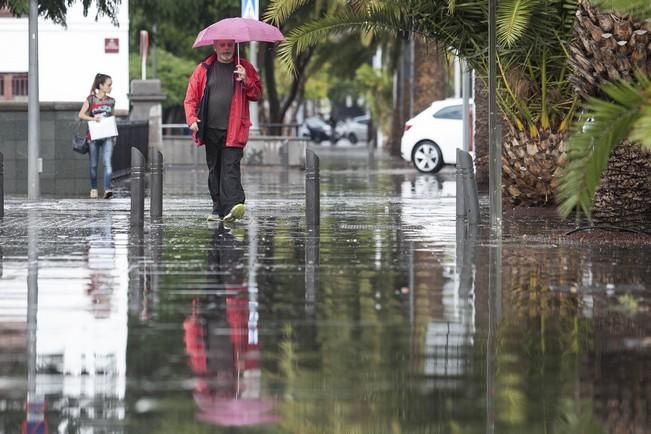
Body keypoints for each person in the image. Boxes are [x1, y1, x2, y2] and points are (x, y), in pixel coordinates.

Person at [184, 39, 262, 222]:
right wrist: (192, 119)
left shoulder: (244, 67)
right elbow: (190, 98)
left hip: (235, 129)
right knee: (215, 169)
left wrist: (246, 80)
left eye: (229, 45)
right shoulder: (204, 69)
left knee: (230, 167)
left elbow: (257, 94)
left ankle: (234, 205)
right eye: (222, 45)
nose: (226, 49)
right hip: (210, 129)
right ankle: (218, 207)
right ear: (215, 47)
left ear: (234, 46)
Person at [78, 73, 116, 199]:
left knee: (107, 163)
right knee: (93, 165)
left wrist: (114, 134)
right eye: (108, 85)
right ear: (101, 85)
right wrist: (94, 119)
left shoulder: (111, 101)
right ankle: (94, 188)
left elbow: (112, 117)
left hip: (107, 136)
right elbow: (81, 115)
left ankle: (107, 189)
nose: (111, 87)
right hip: (93, 137)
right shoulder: (91, 99)